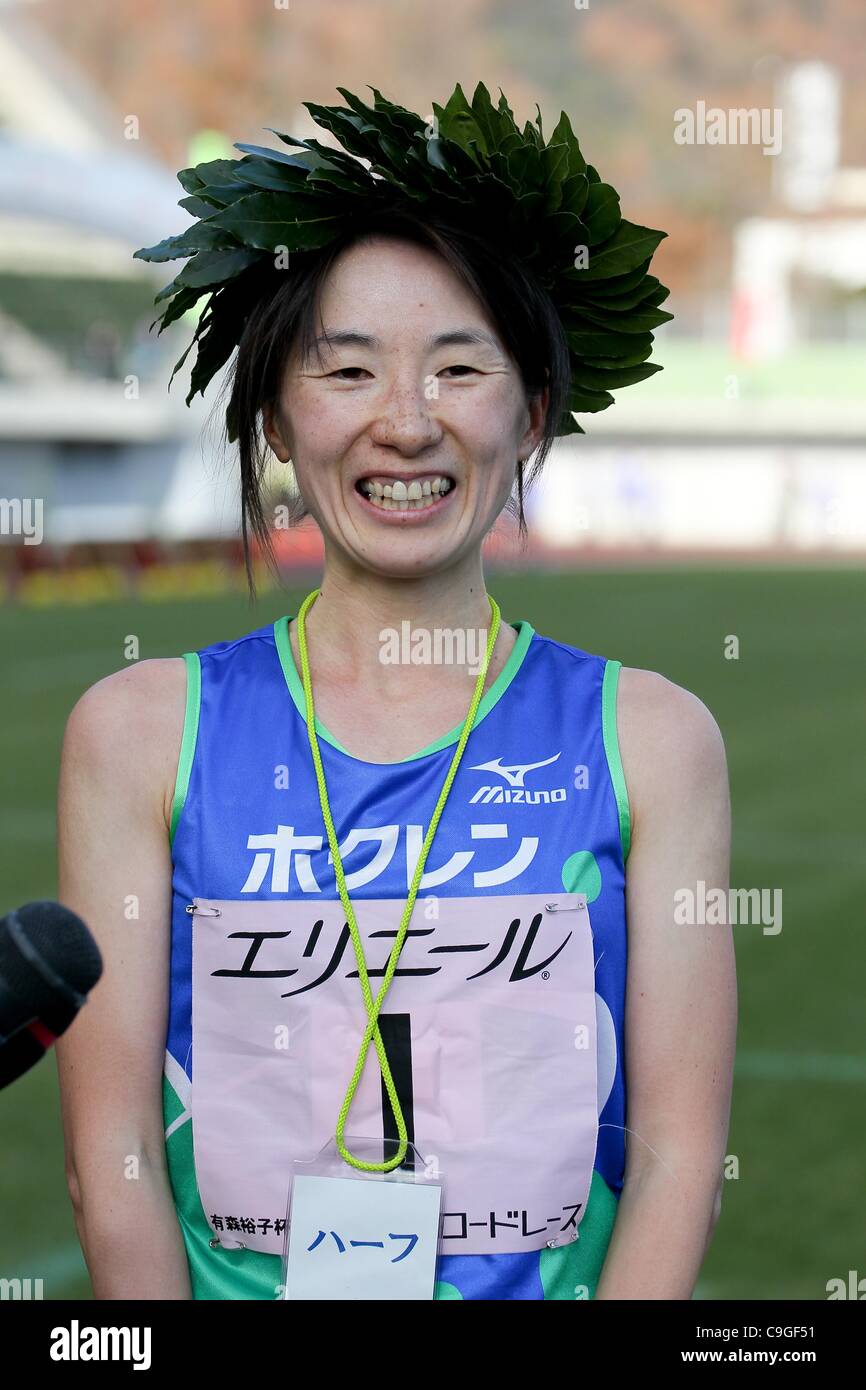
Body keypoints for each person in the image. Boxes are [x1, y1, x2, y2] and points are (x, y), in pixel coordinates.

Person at [55, 84, 735, 1301]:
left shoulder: (653, 738)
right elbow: (111, 1167)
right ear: (274, 415)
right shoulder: (138, 733)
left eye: (458, 368)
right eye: (348, 370)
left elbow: (679, 1156)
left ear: (531, 413)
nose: (405, 423)